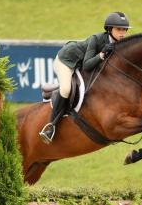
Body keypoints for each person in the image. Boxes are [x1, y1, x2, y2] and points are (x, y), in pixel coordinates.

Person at [39, 12, 131, 144]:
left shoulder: (120, 44)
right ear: (109, 29)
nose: (122, 33)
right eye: (119, 29)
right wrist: (101, 55)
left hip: (80, 65)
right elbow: (87, 65)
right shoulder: (96, 39)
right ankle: (51, 126)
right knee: (66, 89)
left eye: (124, 30)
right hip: (66, 60)